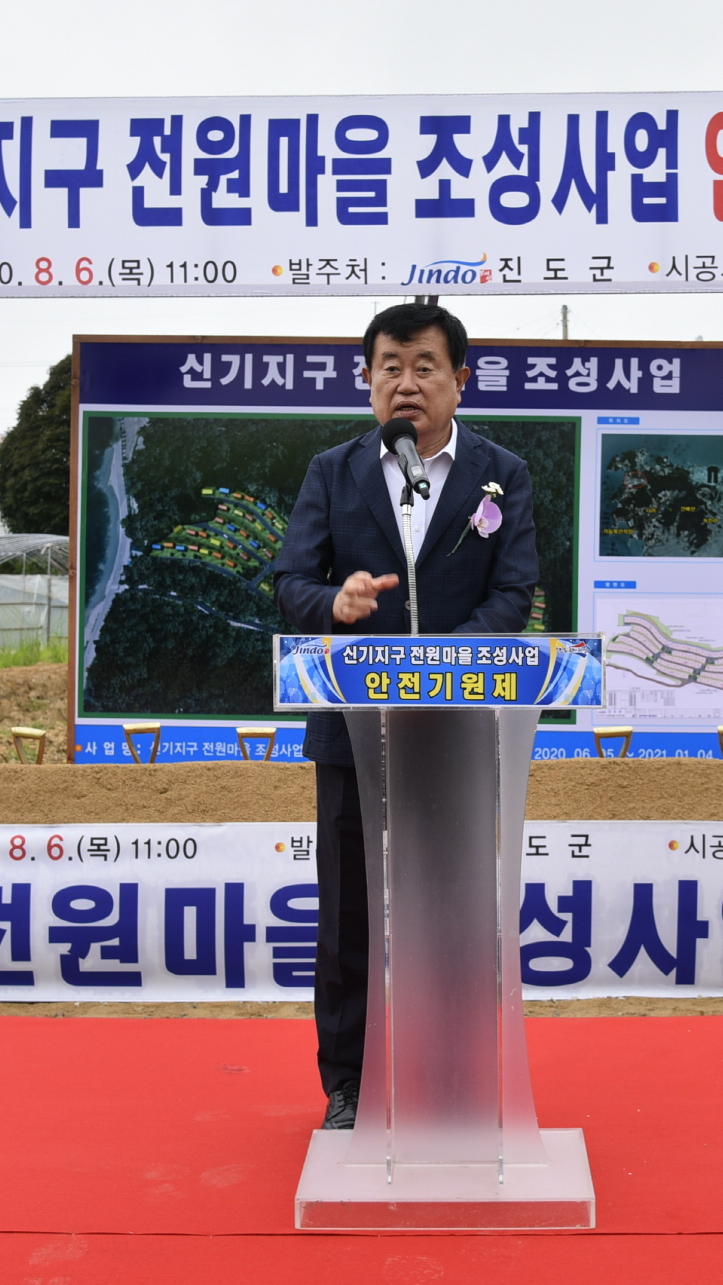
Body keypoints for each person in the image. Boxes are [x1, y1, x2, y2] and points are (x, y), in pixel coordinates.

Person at [272, 300, 539, 1131]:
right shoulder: (332, 471)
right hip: (355, 729)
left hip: (459, 732)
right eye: (389, 367)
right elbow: (290, 584)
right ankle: (347, 1084)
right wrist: (335, 601)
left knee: (458, 908)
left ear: (461, 380)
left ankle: (456, 1074)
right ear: (367, 381)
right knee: (347, 914)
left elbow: (513, 592)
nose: (406, 383)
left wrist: (445, 671)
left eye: (425, 366)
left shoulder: (503, 474)